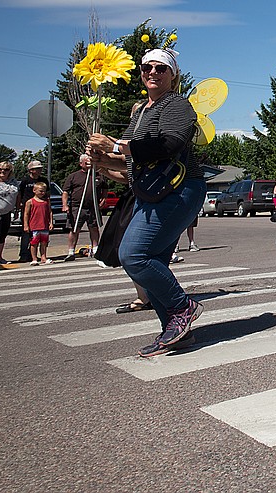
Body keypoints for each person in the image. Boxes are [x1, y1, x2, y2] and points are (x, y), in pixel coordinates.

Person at [87, 46, 206, 357]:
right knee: (151, 261)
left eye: (160, 68)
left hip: (180, 189)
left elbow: (169, 144)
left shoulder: (176, 104)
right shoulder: (140, 112)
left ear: (172, 75)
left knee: (133, 254)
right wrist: (100, 161)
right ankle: (175, 330)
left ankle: (183, 307)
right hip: (151, 192)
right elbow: (129, 166)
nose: (152, 72)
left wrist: (115, 145)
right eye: (146, 67)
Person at [61, 154, 107, 262]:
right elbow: (65, 192)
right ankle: (71, 251)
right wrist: (65, 204)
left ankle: (96, 249)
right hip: (77, 207)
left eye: (89, 162)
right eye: (86, 162)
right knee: (74, 229)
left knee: (94, 228)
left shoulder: (98, 175)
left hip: (93, 206)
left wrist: (104, 199)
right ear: (81, 163)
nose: (88, 164)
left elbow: (105, 188)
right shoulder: (73, 176)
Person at [16, 160, 53, 263]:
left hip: (42, 209)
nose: (39, 170)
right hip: (29, 208)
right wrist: (19, 206)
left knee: (42, 235)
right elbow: (20, 194)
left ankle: (41, 256)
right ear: (31, 170)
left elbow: (48, 194)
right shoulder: (25, 181)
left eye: (40, 168)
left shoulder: (43, 180)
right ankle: (24, 255)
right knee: (26, 233)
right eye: (37, 168)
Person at [23, 181, 53, 265]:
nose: (42, 193)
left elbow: (50, 211)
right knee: (34, 243)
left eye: (44, 191)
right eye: (40, 191)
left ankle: (43, 257)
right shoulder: (30, 202)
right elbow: (26, 214)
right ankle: (34, 258)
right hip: (34, 225)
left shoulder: (46, 201)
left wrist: (51, 222)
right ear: (34, 190)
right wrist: (26, 225)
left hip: (44, 225)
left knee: (44, 242)